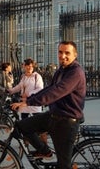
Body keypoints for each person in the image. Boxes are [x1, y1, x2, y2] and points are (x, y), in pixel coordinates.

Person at [11, 41, 86, 169]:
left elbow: (56, 92)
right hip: (54, 115)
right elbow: (49, 88)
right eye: (60, 52)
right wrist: (29, 100)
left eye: (67, 53)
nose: (63, 56)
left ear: (75, 55)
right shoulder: (61, 70)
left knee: (63, 165)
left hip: (67, 121)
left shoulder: (75, 72)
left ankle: (47, 153)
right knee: (21, 126)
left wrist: (29, 102)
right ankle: (44, 151)